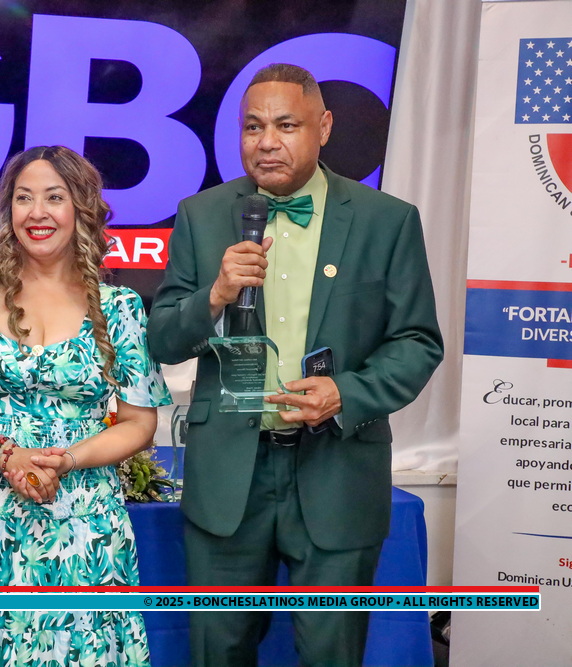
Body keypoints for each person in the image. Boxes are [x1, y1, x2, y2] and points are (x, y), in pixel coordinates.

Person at [147, 64, 444, 667]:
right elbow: (163, 339)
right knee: (215, 653)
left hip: (337, 470)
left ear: (324, 127)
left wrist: (346, 393)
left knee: (332, 655)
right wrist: (214, 296)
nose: (267, 142)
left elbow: (417, 342)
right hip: (229, 476)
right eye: (253, 127)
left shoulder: (387, 221)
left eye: (286, 125)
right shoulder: (201, 215)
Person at [0, 145, 172, 666]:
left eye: (54, 197)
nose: (37, 212)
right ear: (8, 211)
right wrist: (7, 455)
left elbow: (140, 423)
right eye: (23, 198)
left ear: (82, 208)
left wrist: (67, 459)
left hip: (82, 520)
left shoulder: (120, 308)